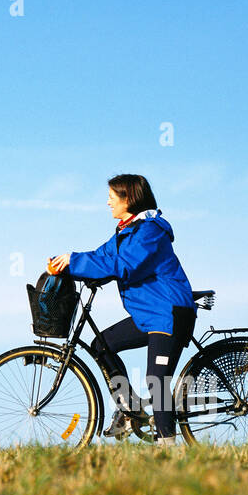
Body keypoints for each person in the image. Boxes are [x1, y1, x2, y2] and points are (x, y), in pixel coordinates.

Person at [48, 174, 194, 447]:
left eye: (112, 198)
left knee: (156, 380)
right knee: (101, 345)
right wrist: (67, 263)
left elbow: (124, 264)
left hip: (169, 313)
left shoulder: (150, 231)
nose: (107, 203)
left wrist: (77, 261)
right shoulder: (126, 231)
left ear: (129, 199)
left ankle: (168, 447)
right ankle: (131, 409)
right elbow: (103, 258)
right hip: (149, 315)